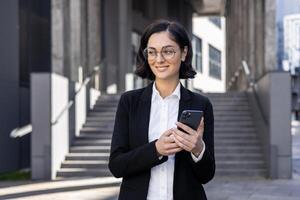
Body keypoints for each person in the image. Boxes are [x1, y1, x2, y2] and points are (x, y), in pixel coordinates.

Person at [109, 19, 215, 200]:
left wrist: (198, 149)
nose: (159, 59)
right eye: (152, 52)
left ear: (184, 53)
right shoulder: (129, 102)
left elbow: (206, 175)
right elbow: (117, 166)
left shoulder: (201, 104)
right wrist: (156, 150)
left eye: (168, 51)